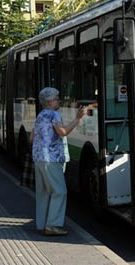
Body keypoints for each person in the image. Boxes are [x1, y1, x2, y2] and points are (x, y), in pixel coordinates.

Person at [30, 87, 85, 236]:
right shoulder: (54, 115)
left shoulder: (40, 115)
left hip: (39, 158)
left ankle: (42, 224)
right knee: (59, 191)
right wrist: (78, 119)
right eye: (57, 98)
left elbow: (32, 137)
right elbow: (63, 132)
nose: (58, 100)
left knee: (43, 192)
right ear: (49, 102)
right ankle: (53, 225)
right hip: (51, 159)